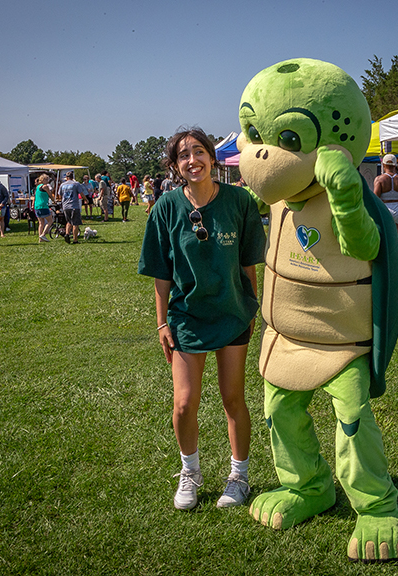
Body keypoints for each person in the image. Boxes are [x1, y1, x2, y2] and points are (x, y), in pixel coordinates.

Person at [138, 128, 266, 510]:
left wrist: (252, 307)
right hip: (186, 317)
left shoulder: (239, 201)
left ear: (212, 157)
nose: (192, 160)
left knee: (233, 399)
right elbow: (161, 273)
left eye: (198, 152)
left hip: (232, 313)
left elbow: (248, 263)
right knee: (184, 403)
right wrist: (162, 323)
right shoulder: (166, 207)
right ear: (175, 166)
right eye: (183, 155)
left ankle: (238, 477)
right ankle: (190, 473)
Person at [372, 154, 398, 244]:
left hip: (385, 208)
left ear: (383, 165)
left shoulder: (379, 179)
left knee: (384, 240)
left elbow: (375, 198)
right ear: (395, 165)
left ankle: (387, 258)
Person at [59, 171, 87, 243]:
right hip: (74, 205)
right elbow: (81, 193)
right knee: (75, 223)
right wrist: (85, 199)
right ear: (72, 177)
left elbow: (60, 195)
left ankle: (67, 234)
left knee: (68, 222)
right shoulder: (76, 184)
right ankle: (75, 239)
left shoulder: (62, 185)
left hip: (65, 206)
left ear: (66, 177)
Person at [33, 174, 54, 242]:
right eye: (47, 179)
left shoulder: (38, 187)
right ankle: (43, 234)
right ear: (44, 180)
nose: (48, 181)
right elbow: (50, 195)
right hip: (43, 205)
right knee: (50, 221)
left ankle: (40, 239)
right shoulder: (45, 186)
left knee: (41, 223)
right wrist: (54, 200)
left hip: (37, 206)